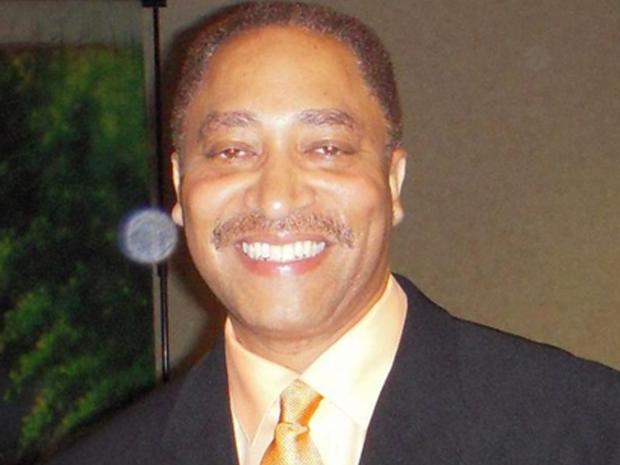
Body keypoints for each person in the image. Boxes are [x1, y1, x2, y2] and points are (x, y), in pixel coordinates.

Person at [47, 2, 620, 464]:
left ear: (392, 181)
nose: (276, 196)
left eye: (325, 148)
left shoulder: (589, 429)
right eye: (232, 151)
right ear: (179, 185)